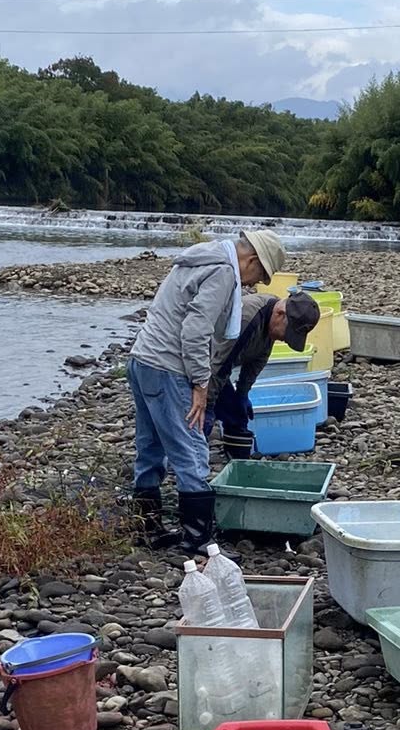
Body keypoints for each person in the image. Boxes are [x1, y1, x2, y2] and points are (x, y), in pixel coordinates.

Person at [128, 228, 288, 553]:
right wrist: (201, 384)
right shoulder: (223, 272)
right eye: (259, 274)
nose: (253, 284)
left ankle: (146, 527)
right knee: (191, 446)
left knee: (151, 444)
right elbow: (196, 329)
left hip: (142, 358)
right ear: (252, 260)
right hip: (168, 366)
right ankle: (197, 538)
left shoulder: (203, 254)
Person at [208, 287, 321, 459]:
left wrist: (243, 393)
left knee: (238, 414)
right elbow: (219, 366)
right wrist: (207, 403)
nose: (285, 339)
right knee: (200, 415)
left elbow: (259, 358)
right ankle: (189, 464)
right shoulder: (247, 318)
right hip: (198, 363)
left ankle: (237, 460)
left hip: (218, 367)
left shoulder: (272, 320)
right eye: (288, 333)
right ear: (281, 314)